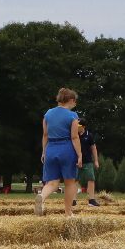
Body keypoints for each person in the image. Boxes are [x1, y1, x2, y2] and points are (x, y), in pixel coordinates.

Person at [36, 88, 83, 217]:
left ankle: (42, 197)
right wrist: (79, 155)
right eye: (75, 101)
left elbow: (45, 135)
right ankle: (68, 213)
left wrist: (44, 152)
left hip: (51, 148)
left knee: (51, 182)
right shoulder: (72, 116)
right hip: (66, 149)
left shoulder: (48, 114)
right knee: (69, 182)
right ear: (72, 100)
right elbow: (74, 137)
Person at [77, 118, 102, 208]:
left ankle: (91, 200)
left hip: (87, 161)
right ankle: (73, 200)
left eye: (78, 126)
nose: (76, 127)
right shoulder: (73, 135)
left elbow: (93, 148)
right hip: (75, 162)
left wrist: (96, 161)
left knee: (91, 179)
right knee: (73, 180)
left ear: (83, 126)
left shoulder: (89, 135)